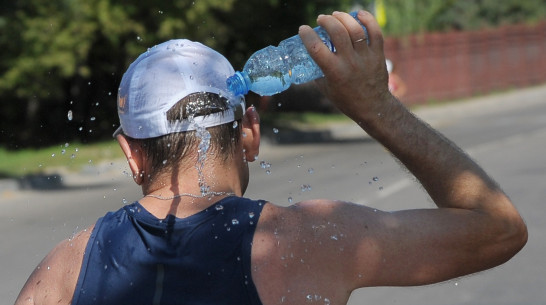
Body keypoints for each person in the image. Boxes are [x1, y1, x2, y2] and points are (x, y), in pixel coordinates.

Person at [15, 10, 527, 305]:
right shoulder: (314, 241)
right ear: (250, 133)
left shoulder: (64, 270)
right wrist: (377, 109)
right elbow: (498, 229)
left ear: (130, 152)